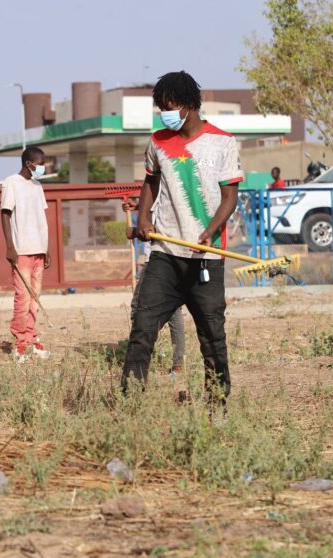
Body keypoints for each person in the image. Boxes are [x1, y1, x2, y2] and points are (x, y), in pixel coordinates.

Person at [123, 71, 243, 410]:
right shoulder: (157, 141)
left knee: (212, 335)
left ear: (190, 104)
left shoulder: (222, 142)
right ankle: (129, 403)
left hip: (207, 257)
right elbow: (151, 182)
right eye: (161, 107)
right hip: (165, 254)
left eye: (170, 106)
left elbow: (230, 198)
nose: (165, 113)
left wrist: (210, 230)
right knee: (143, 327)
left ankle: (217, 405)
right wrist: (143, 217)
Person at [123, 198, 185, 378]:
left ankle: (143, 358)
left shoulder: (172, 193)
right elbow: (155, 206)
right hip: (158, 258)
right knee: (152, 309)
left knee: (144, 308)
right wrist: (138, 206)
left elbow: (164, 228)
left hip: (162, 259)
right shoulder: (161, 194)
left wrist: (136, 232)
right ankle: (168, 360)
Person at [0, 147, 52, 363]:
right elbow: (5, 214)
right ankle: (20, 342)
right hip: (21, 250)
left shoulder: (38, 186)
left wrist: (46, 248)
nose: (43, 167)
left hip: (39, 249)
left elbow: (41, 219)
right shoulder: (11, 183)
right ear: (29, 164)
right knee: (23, 297)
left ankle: (31, 336)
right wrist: (10, 246)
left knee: (34, 298)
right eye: (40, 164)